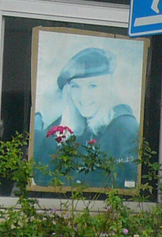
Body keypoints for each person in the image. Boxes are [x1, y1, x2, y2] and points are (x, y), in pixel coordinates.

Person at [34, 47, 140, 188]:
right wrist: (49, 121)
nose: (83, 97)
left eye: (92, 86)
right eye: (75, 87)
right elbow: (41, 177)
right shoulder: (75, 123)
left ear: (108, 88)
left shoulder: (124, 128)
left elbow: (132, 187)